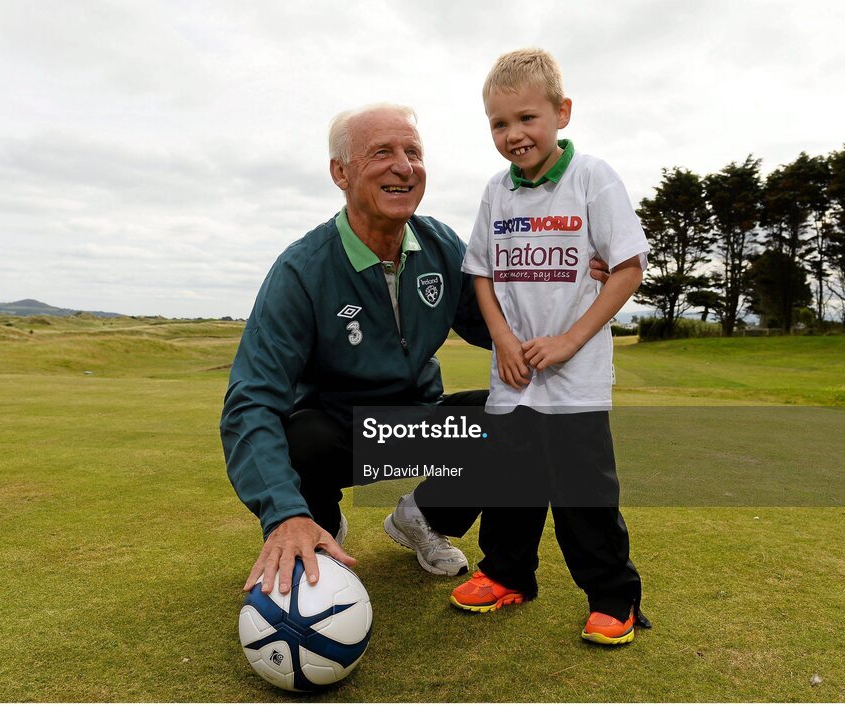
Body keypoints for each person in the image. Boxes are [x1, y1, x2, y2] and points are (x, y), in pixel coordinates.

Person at [220, 103, 610, 598]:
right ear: (341, 172)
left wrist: (582, 280)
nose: (404, 167)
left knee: (519, 418)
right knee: (300, 438)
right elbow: (251, 401)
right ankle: (313, 527)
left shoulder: (441, 245)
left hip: (414, 424)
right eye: (381, 152)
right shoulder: (302, 270)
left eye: (413, 152)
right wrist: (285, 511)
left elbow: (506, 326)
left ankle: (422, 517)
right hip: (339, 434)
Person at [449, 48, 652, 646]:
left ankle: (613, 597)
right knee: (509, 485)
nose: (514, 135)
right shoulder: (496, 191)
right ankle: (506, 574)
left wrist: (568, 340)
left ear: (562, 112)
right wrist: (504, 341)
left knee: (583, 495)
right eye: (498, 124)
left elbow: (627, 268)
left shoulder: (593, 177)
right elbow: (481, 274)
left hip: (576, 376)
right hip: (512, 376)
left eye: (527, 118)